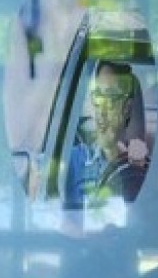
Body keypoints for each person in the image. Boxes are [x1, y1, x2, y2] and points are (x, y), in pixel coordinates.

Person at [64, 60, 150, 210]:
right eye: (98, 97)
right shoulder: (73, 162)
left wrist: (137, 172)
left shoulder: (143, 168)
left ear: (127, 108)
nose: (101, 113)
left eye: (110, 98)